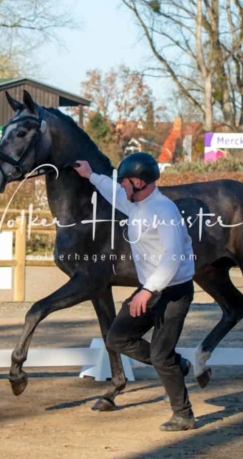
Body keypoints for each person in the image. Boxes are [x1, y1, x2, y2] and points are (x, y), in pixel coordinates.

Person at [73, 152, 196, 432]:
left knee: (161, 356)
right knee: (117, 337)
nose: (122, 187)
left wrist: (146, 290)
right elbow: (114, 193)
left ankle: (184, 415)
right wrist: (90, 175)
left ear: (139, 182)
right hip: (150, 290)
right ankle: (178, 365)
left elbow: (173, 257)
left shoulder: (164, 211)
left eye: (126, 182)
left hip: (173, 293)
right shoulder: (136, 203)